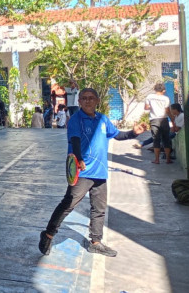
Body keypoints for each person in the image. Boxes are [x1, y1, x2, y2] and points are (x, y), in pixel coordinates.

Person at [38, 88, 146, 258]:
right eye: (84, 98)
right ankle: (48, 234)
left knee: (99, 208)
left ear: (97, 101)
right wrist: (80, 160)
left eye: (91, 98)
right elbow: (75, 140)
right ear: (79, 102)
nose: (88, 101)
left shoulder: (103, 119)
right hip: (82, 172)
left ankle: (95, 242)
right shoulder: (75, 120)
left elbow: (117, 135)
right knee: (68, 205)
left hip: (100, 172)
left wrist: (134, 133)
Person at [145, 83, 172, 164]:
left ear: (155, 89)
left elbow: (146, 108)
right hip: (164, 120)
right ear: (163, 90)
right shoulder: (166, 98)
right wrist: (173, 120)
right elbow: (167, 111)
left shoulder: (149, 97)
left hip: (154, 120)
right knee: (166, 139)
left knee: (156, 140)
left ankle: (157, 160)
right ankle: (168, 159)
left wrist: (152, 107)